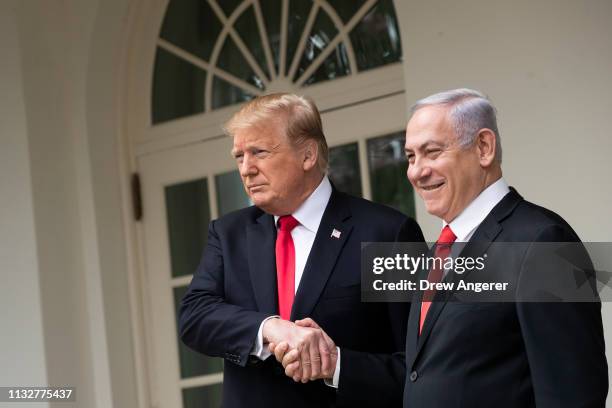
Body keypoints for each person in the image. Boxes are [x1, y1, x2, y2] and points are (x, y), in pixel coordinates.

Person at [274, 88, 608, 407]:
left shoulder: (543, 241)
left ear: (483, 148)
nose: (417, 171)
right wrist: (335, 363)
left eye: (432, 152)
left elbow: (573, 393)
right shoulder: (438, 253)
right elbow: (422, 373)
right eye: (410, 156)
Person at [178, 93, 424, 408]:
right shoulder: (228, 234)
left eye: (259, 152)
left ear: (307, 155)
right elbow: (194, 317)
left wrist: (334, 365)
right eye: (239, 156)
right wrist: (271, 328)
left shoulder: (386, 235)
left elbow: (417, 368)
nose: (246, 169)